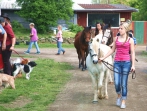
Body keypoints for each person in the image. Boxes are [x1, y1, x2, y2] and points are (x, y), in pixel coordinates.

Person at [99, 20, 135, 109]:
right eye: (119, 28)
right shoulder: (116, 39)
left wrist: (133, 65)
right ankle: (119, 95)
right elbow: (112, 50)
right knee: (117, 83)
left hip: (126, 63)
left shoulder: (130, 40)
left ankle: (123, 100)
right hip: (117, 63)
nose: (119, 30)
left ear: (126, 30)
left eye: (121, 28)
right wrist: (103, 58)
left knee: (124, 84)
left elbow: (133, 53)